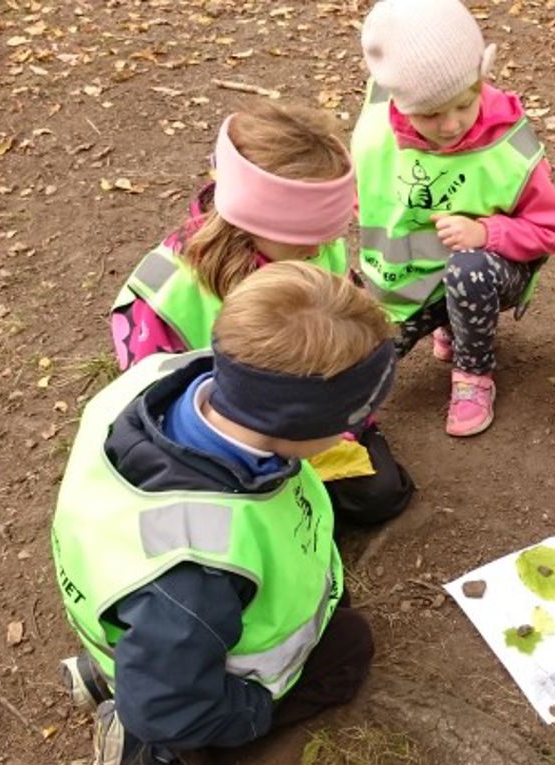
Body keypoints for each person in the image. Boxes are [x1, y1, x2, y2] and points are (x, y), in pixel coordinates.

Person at [54, 262, 396, 765]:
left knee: (171, 650)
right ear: (299, 424)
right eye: (355, 417)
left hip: (160, 624)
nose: (363, 425)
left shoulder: (162, 379)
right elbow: (165, 706)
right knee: (348, 650)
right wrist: (252, 711)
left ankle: (118, 669)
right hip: (188, 666)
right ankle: (149, 748)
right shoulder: (200, 564)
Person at [111, 100, 413, 524]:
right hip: (225, 441)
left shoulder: (319, 246)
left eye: (328, 234)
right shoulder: (165, 295)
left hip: (313, 415)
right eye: (304, 238)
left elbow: (343, 339)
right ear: (252, 219)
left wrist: (338, 424)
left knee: (382, 495)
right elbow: (154, 403)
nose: (319, 249)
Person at [354, 0, 555, 437]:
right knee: (363, 359)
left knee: (468, 271)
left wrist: (485, 231)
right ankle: (447, 320)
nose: (451, 125)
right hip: (404, 281)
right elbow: (364, 185)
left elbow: (551, 230)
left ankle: (473, 373)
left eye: (464, 105)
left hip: (486, 269)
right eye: (430, 113)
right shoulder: (379, 120)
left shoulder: (509, 145)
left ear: (481, 79)